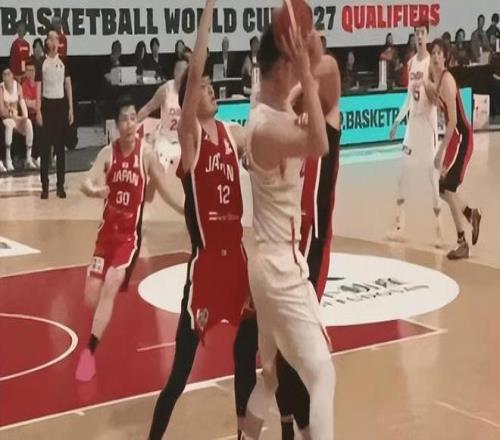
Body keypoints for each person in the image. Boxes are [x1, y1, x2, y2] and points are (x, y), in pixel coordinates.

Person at [147, 1, 250, 437]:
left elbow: (264, 137)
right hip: (206, 266)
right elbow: (195, 70)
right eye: (203, 86)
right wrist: (209, 8)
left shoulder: (233, 133)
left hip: (238, 261)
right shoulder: (190, 137)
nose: (210, 89)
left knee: (249, 357)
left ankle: (248, 432)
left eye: (210, 86)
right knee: (179, 374)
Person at [239, 16, 334, 440]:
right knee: (323, 375)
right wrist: (308, 75)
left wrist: (306, 50)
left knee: (273, 373)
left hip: (266, 262)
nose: (299, 71)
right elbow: (320, 143)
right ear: (281, 68)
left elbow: (317, 82)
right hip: (279, 266)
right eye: (292, 64)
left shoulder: (267, 111)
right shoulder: (266, 128)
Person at [75, 95, 183, 382]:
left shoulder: (146, 155)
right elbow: (85, 181)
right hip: (105, 237)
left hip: (128, 239)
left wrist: (187, 211)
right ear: (116, 124)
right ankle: (98, 328)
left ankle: (89, 353)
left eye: (133, 118)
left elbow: (163, 191)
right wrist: (95, 191)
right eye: (124, 119)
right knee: (90, 295)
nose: (129, 124)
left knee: (112, 282)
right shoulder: (107, 154)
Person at [389, 22, 444, 247]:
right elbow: (408, 98)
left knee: (433, 178)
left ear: (427, 36)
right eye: (416, 33)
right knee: (403, 174)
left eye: (422, 33)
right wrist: (397, 121)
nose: (419, 37)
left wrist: (431, 91)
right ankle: (399, 226)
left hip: (428, 127)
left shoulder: (432, 62)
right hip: (412, 126)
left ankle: (439, 230)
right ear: (413, 36)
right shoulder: (411, 63)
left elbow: (438, 97)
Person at [427, 39, 482, 260]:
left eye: (439, 53)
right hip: (455, 139)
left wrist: (440, 151)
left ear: (446, 57)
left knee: (447, 188)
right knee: (443, 189)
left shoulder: (447, 81)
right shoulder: (437, 79)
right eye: (433, 53)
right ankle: (471, 214)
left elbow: (453, 123)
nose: (435, 56)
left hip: (461, 139)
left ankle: (463, 243)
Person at [35, 28, 73, 199]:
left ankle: (60, 186)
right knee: (45, 149)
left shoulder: (64, 61)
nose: (55, 41)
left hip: (60, 106)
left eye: (57, 39)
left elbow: (68, 85)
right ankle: (44, 186)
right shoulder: (41, 63)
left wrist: (71, 108)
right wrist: (38, 110)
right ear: (47, 42)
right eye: (52, 39)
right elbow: (38, 88)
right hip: (47, 106)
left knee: (60, 148)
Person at [138, 57, 188, 173]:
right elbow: (148, 108)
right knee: (162, 167)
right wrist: (133, 123)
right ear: (175, 72)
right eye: (181, 70)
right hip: (166, 139)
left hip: (184, 142)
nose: (183, 74)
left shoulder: (192, 91)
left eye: (186, 71)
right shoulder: (166, 90)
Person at [0, 67, 35, 172]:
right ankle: (8, 160)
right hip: (6, 118)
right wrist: (11, 114)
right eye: (4, 74)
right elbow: (2, 111)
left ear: (12, 75)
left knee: (28, 123)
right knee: (10, 124)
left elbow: (22, 103)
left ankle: (28, 159)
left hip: (17, 118)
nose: (7, 76)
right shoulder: (1, 88)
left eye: (9, 74)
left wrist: (24, 117)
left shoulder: (18, 86)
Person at [21, 61, 40, 167]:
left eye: (32, 70)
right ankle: (30, 157)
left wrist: (33, 103)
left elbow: (40, 102)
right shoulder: (24, 85)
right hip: (28, 115)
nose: (31, 73)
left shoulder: (39, 84)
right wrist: (34, 103)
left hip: (39, 114)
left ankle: (40, 157)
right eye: (28, 70)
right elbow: (26, 103)